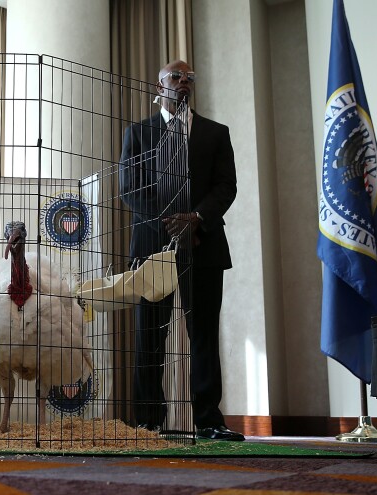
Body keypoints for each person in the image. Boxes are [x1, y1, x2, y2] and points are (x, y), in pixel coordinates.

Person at [118, 59, 244, 441]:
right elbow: (130, 188)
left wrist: (196, 219)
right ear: (160, 87)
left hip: (204, 246)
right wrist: (173, 222)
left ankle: (208, 420)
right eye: (175, 76)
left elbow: (226, 186)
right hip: (153, 247)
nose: (184, 81)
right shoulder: (139, 132)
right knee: (149, 336)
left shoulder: (216, 133)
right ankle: (148, 422)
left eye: (189, 77)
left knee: (203, 335)